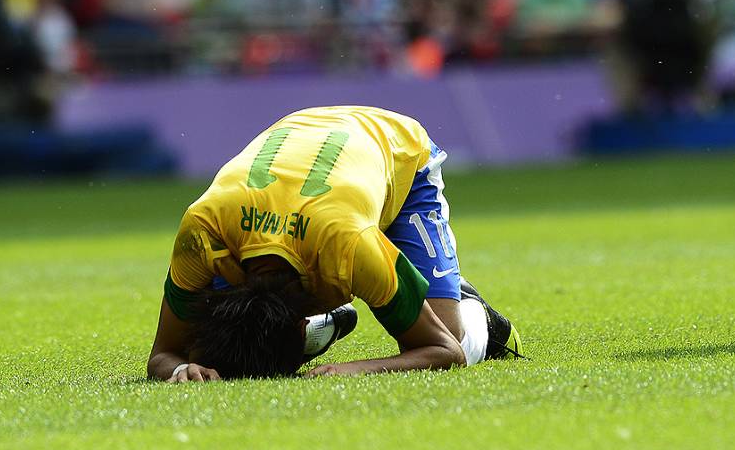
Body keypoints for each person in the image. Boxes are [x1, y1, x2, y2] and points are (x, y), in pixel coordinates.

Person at [148, 106, 523, 382]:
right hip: (304, 135)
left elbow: (446, 352)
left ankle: (477, 312)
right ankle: (331, 322)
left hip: (398, 150)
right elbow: (163, 355)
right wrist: (182, 367)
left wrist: (351, 370)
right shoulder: (202, 230)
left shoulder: (351, 246)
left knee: (454, 335)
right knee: (231, 341)